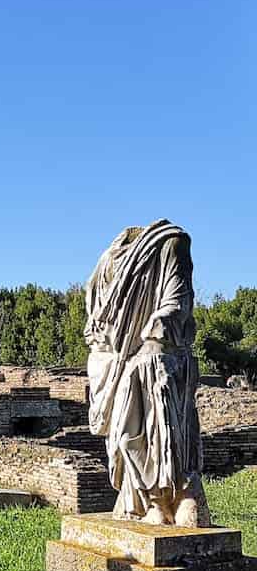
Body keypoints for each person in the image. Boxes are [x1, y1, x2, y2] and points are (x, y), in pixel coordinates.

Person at [85, 219, 210, 526]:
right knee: (123, 438)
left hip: (156, 356)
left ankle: (170, 499)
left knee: (157, 429)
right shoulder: (108, 258)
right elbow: (96, 316)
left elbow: (178, 300)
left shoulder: (171, 242)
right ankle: (142, 500)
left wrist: (156, 331)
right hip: (114, 361)